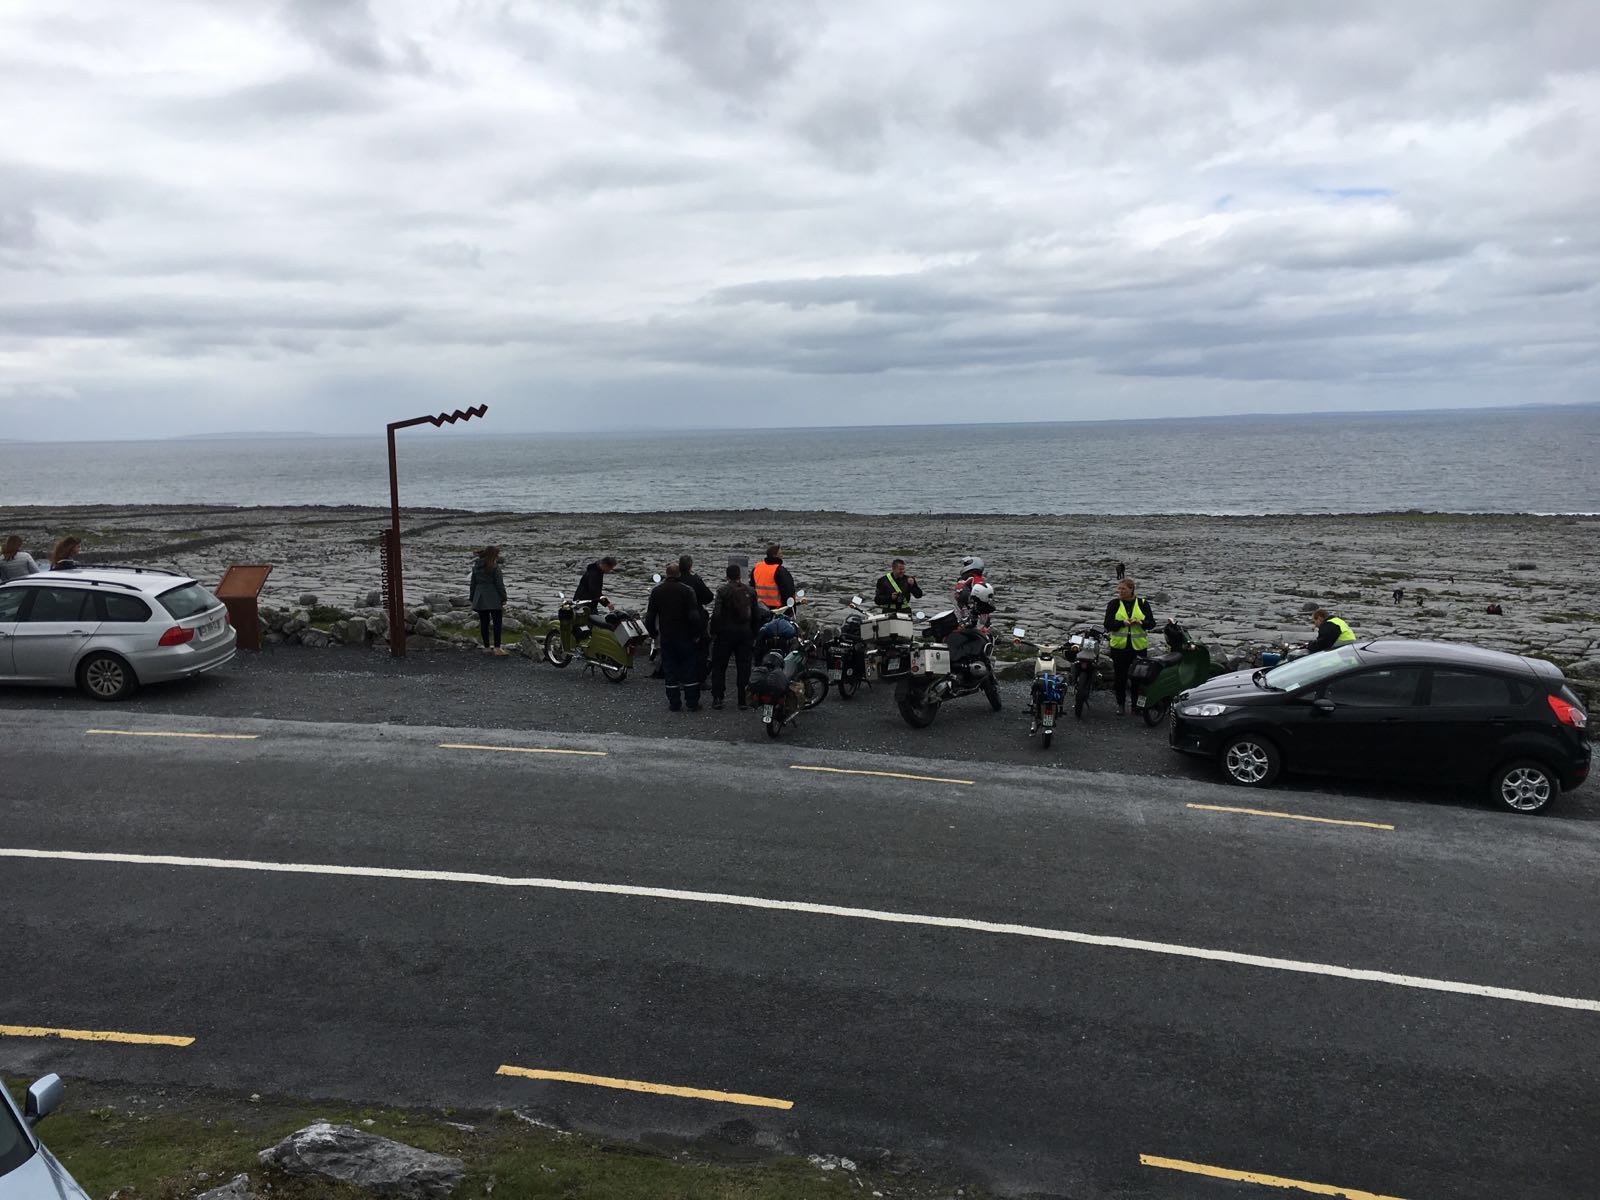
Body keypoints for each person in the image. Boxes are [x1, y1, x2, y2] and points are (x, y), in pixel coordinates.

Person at [645, 564, 702, 712]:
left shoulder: (657, 591)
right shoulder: (687, 591)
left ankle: (674, 703)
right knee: (689, 668)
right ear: (679, 575)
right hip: (685, 635)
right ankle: (692, 702)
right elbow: (694, 615)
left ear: (666, 574)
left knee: (670, 670)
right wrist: (697, 634)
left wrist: (652, 633)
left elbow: (650, 615)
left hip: (667, 636)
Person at [1104, 576, 1156, 714]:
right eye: (1119, 588)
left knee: (1138, 678)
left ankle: (1135, 706)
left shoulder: (1143, 603)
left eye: (1123, 589)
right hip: (1119, 648)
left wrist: (1141, 622)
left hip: (1138, 647)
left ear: (1131, 589)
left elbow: (1152, 624)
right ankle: (1121, 705)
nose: (1120, 591)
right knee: (1120, 678)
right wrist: (1122, 623)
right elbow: (1107, 625)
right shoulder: (1114, 604)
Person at [708, 564, 755, 710]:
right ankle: (742, 699)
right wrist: (753, 632)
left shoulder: (722, 591)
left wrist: (714, 632)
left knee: (719, 666)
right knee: (744, 666)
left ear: (727, 576)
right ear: (739, 575)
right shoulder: (750, 591)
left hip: (725, 634)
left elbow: (717, 614)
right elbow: (755, 615)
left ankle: (717, 698)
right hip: (744, 633)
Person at [678, 553, 714, 684]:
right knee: (701, 649)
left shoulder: (674, 581)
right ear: (690, 566)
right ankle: (700, 679)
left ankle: (681, 678)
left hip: (677, 620)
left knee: (680, 650)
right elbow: (709, 597)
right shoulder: (695, 580)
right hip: (695, 619)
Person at [470, 546, 509, 656]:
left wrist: (472, 598)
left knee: (484, 623)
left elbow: (473, 584)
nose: (498, 556)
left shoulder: (476, 567)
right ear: (493, 555)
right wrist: (504, 597)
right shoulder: (494, 567)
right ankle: (497, 648)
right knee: (497, 623)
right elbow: (499, 585)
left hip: (480, 597)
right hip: (493, 597)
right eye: (497, 555)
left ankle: (486, 647)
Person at [750, 543, 795, 612]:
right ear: (774, 555)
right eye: (780, 554)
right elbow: (787, 591)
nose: (782, 556)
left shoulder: (757, 568)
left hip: (759, 607)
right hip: (777, 609)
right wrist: (790, 610)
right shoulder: (780, 570)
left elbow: (752, 587)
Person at [953, 555, 986, 624]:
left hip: (970, 612)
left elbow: (962, 594)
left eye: (966, 564)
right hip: (971, 611)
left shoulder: (972, 579)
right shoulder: (979, 579)